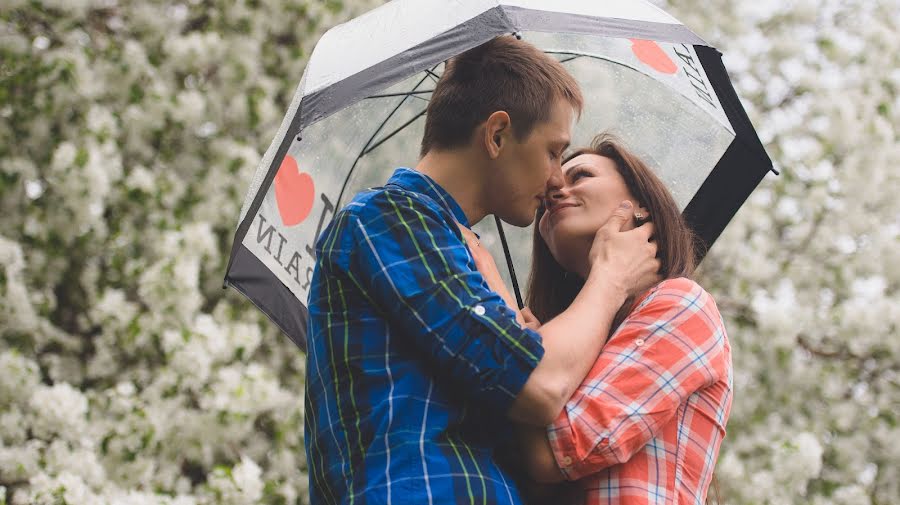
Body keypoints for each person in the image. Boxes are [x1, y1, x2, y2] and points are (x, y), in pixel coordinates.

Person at [303, 37, 661, 504]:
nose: (556, 179)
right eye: (554, 151)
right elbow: (539, 385)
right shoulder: (391, 219)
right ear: (496, 135)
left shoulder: (451, 246)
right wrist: (610, 278)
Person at [480, 134, 732, 505]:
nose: (554, 192)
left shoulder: (680, 304)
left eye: (580, 176)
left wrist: (514, 337)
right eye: (548, 193)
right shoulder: (566, 338)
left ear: (641, 205)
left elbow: (557, 451)